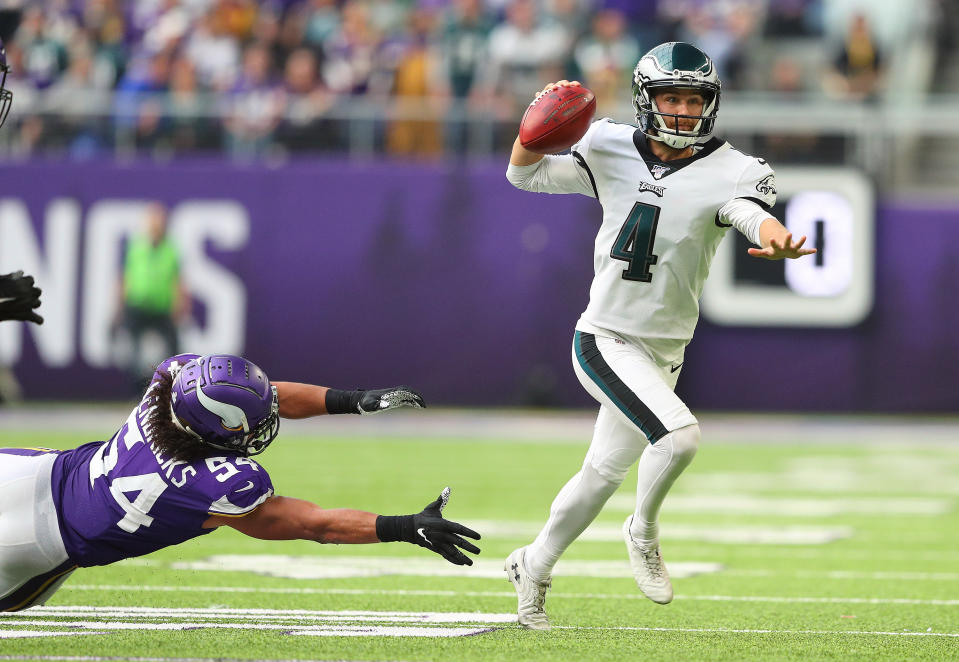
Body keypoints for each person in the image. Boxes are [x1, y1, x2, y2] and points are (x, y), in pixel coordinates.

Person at [503, 42, 816, 629]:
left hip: (665, 349)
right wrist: (529, 132)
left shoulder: (738, 169)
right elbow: (527, 176)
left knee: (599, 476)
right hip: (604, 337)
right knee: (680, 437)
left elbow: (750, 213)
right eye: (671, 97)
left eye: (693, 99)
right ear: (648, 98)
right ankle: (642, 529)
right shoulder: (608, 144)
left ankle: (533, 565)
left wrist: (776, 233)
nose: (682, 110)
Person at [0, 352, 481, 612]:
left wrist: (354, 400)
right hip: (33, 544)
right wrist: (403, 526)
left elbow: (268, 398)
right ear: (210, 433)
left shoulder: (172, 381)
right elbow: (314, 524)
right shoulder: (216, 485)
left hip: (30, 469)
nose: (267, 419)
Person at [116, 202, 190, 389]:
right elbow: (124, 277)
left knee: (174, 350)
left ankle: (173, 389)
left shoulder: (171, 249)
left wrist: (180, 305)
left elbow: (177, 280)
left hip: (161, 308)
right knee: (133, 352)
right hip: (137, 306)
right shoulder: (136, 246)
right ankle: (137, 392)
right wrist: (119, 306)